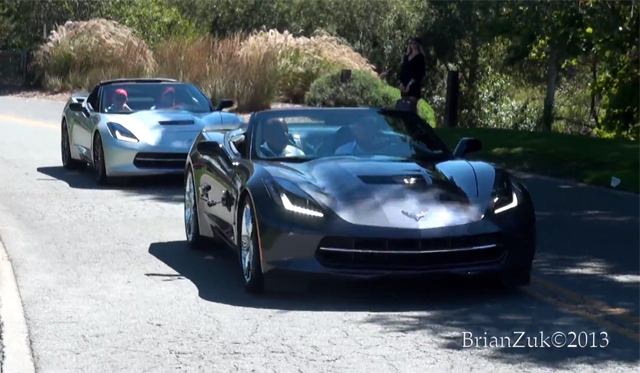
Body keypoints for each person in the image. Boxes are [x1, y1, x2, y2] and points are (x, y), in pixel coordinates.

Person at [397, 37, 426, 112]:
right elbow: (402, 71)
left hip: (413, 86)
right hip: (404, 85)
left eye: (414, 43)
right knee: (403, 108)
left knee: (411, 108)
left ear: (418, 45)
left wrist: (410, 84)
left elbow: (420, 73)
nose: (412, 45)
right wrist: (401, 84)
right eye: (411, 43)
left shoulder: (420, 57)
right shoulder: (406, 57)